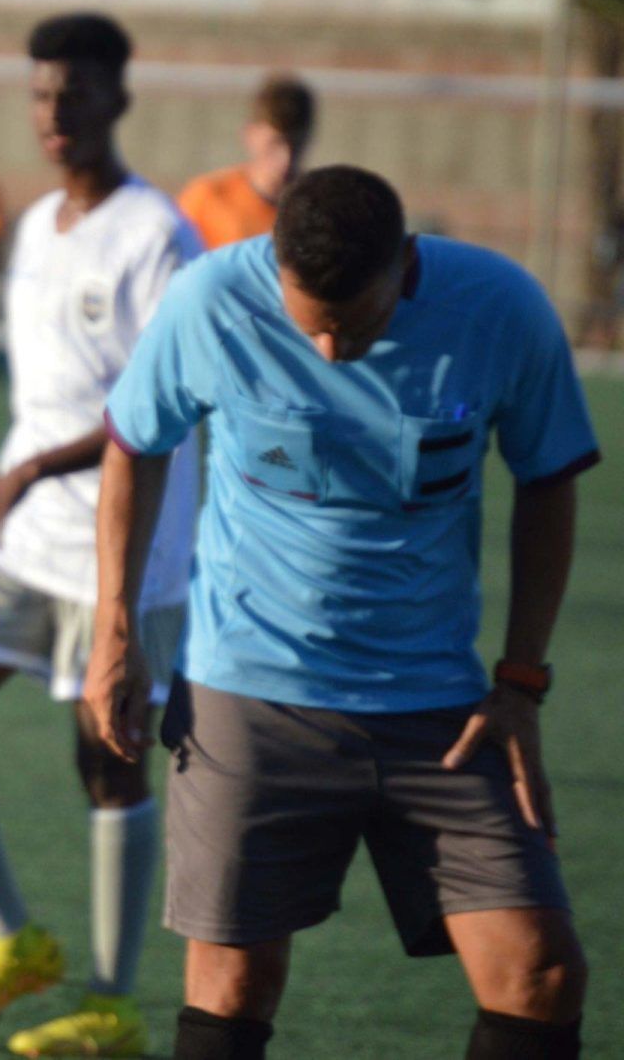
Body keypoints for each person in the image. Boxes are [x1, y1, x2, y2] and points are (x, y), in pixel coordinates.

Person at [92, 165, 597, 1060]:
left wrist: (520, 679)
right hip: (251, 695)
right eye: (306, 321)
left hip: (439, 705)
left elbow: (548, 477)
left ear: (404, 268)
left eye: (352, 324)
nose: (326, 352)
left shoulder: (500, 308)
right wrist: (116, 631)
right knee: (235, 983)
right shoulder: (212, 299)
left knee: (540, 974)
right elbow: (135, 443)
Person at [0, 13, 202, 1056]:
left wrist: (24, 468)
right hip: (23, 538)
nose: (54, 113)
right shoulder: (35, 226)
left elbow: (158, 411)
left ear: (120, 97)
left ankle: (111, 999)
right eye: (39, 95)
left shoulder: (158, 234)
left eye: (74, 93)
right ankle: (11, 940)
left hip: (129, 546)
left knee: (109, 766)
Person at [177, 75, 315, 251]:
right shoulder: (206, 199)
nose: (285, 159)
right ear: (250, 135)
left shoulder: (317, 209)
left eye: (296, 144)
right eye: (274, 143)